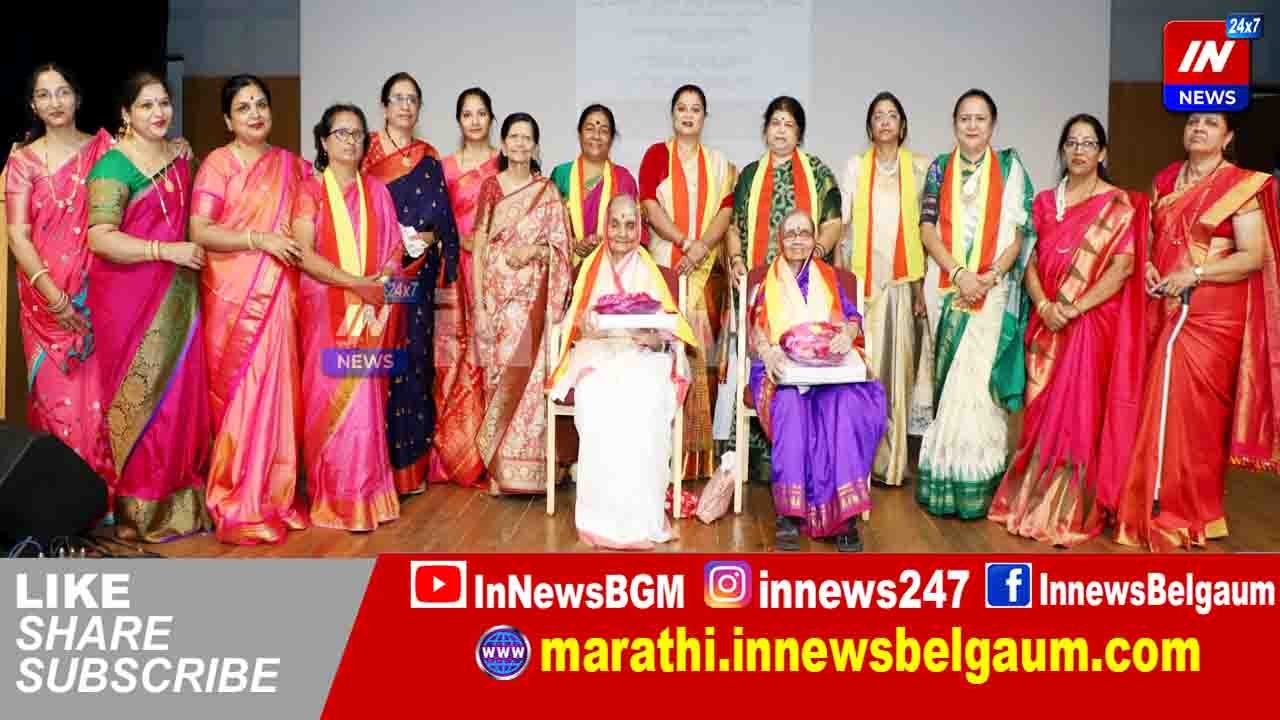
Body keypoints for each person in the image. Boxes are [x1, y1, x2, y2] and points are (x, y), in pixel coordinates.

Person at [1113, 112, 1280, 551]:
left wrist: (1196, 273)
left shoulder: (1241, 186)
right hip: (1163, 305)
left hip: (1212, 315)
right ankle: (1147, 502)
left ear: (1228, 137)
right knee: (1155, 403)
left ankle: (1190, 512)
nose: (1198, 129)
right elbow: (1151, 238)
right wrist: (1149, 265)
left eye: (1210, 123)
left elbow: (1251, 256)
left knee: (1198, 416)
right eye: (1192, 122)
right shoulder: (1166, 180)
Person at [988, 114, 1144, 546]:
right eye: (1072, 143)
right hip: (1047, 321)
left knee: (1078, 414)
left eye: (1088, 143)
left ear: (1102, 152)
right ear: (1062, 150)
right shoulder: (1044, 202)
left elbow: (1122, 268)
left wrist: (1074, 308)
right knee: (1041, 412)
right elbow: (1029, 262)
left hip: (1090, 324)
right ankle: (1031, 497)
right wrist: (1044, 305)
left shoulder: (1118, 205)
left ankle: (1068, 506)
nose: (1079, 151)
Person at [86, 71, 212, 541]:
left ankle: (182, 503)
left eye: (164, 103)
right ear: (126, 113)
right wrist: (164, 251)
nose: (159, 113)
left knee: (181, 398)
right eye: (146, 105)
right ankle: (140, 509)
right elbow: (100, 237)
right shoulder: (113, 167)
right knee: (142, 401)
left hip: (180, 295)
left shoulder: (181, 157)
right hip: (129, 299)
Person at [189, 74, 311, 544]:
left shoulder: (292, 167)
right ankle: (237, 494)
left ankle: (276, 495)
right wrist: (259, 240)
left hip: (280, 293)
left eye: (261, 104)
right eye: (243, 107)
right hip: (232, 297)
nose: (255, 114)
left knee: (278, 388)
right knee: (242, 390)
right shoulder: (217, 165)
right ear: (227, 119)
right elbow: (200, 231)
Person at [293, 103, 420, 531]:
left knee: (366, 404)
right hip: (325, 312)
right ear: (324, 141)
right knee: (328, 399)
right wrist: (353, 283)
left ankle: (367, 497)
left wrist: (380, 281)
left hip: (370, 314)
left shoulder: (377, 192)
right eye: (341, 133)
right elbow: (303, 253)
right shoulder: (309, 191)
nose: (350, 141)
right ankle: (335, 498)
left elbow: (394, 251)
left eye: (357, 133)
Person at [549, 194, 698, 549]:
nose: (621, 232)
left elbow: (669, 329)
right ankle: (600, 518)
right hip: (596, 353)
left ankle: (640, 518)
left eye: (630, 225)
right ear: (605, 226)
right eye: (615, 224)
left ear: (640, 229)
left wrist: (652, 338)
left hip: (642, 355)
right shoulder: (589, 268)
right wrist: (584, 328)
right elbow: (572, 324)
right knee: (597, 399)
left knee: (645, 399)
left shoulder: (649, 269)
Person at [915, 88, 1035, 520]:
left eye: (980, 118)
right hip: (950, 287)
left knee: (982, 390)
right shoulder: (939, 168)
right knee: (951, 387)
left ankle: (981, 483)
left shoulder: (1010, 169)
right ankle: (946, 478)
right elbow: (927, 229)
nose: (972, 125)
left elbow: (1019, 234)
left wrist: (990, 276)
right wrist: (960, 274)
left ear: (992, 125)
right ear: (954, 124)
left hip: (992, 292)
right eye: (964, 118)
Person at [4, 63, 115, 496]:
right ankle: (60, 503)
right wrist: (54, 298)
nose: (55, 102)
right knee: (57, 406)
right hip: (44, 304)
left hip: (97, 297)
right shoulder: (23, 163)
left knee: (98, 407)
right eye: (44, 94)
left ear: (78, 98)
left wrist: (178, 148)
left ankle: (98, 499)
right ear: (33, 105)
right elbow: (18, 235)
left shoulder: (105, 150)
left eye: (63, 91)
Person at [747, 209, 887, 551]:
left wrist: (848, 334)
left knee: (848, 407)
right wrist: (769, 354)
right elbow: (757, 328)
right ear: (781, 240)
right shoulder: (768, 282)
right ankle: (789, 515)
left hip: (830, 372)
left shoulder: (829, 277)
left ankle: (845, 516)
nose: (797, 239)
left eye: (804, 233)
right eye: (790, 233)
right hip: (781, 371)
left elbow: (851, 317)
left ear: (814, 239)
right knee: (791, 407)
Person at [728, 96, 842, 484]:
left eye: (789, 124)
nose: (780, 130)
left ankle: (807, 456)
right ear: (765, 131)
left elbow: (833, 222)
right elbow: (734, 227)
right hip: (762, 290)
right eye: (775, 122)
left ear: (799, 133)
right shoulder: (749, 175)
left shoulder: (818, 173)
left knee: (802, 362)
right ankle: (759, 460)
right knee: (764, 357)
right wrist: (736, 259)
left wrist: (817, 255)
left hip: (806, 291)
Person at [362, 72, 460, 495]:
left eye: (412, 99)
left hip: (416, 276)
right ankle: (372, 466)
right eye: (398, 98)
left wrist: (427, 239)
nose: (405, 106)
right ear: (384, 106)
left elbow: (444, 224)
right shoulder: (363, 152)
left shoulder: (429, 159)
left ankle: (410, 471)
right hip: (373, 277)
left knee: (414, 362)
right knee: (376, 366)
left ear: (419, 108)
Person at [639, 84, 736, 480]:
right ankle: (660, 456)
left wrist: (701, 248)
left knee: (702, 360)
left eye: (696, 109)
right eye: (682, 108)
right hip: (667, 266)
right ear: (673, 114)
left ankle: (698, 459)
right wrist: (684, 242)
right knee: (663, 357)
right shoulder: (656, 155)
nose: (688, 115)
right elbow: (649, 205)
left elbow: (725, 211)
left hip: (706, 270)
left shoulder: (719, 163)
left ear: (704, 117)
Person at [472, 112, 573, 495]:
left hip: (533, 306)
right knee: (500, 378)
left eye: (526, 138)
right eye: (513, 137)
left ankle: (535, 471)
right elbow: (479, 248)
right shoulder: (491, 188)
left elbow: (562, 248)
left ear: (535, 146)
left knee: (532, 384)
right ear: (503, 144)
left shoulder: (546, 191)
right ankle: (501, 473)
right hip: (498, 302)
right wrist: (480, 307)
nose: (519, 143)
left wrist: (534, 250)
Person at [840, 91, 931, 487]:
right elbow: (844, 228)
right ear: (870, 126)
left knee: (899, 377)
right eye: (878, 115)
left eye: (892, 115)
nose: (885, 121)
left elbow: (926, 233)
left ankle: (892, 465)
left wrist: (921, 289)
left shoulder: (920, 168)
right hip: (866, 287)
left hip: (903, 284)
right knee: (866, 374)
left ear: (902, 125)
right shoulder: (855, 167)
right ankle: (859, 462)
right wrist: (845, 288)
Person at [430, 87, 498, 489]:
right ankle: (454, 456)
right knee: (452, 359)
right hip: (454, 271)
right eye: (467, 114)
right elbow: (436, 221)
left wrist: (486, 245)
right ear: (459, 120)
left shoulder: (503, 163)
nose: (474, 120)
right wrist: (461, 242)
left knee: (490, 357)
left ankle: (489, 455)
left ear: (491, 118)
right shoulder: (445, 167)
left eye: (481, 113)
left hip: (493, 273)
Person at [549, 104, 639, 264]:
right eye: (590, 129)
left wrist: (604, 244)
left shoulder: (624, 179)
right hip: (566, 268)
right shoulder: (561, 175)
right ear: (579, 134)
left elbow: (636, 232)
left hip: (611, 268)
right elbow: (547, 226)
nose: (596, 136)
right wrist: (570, 243)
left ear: (611, 138)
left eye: (603, 131)